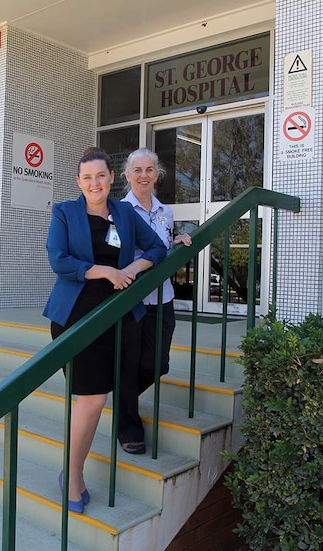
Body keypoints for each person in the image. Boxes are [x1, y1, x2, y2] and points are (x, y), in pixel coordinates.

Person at [43, 149, 166, 514]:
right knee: (93, 399)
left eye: (100, 176)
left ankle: (75, 468)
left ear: (112, 177)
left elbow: (157, 248)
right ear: (78, 182)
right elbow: (59, 260)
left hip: (120, 316)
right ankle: (74, 474)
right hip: (77, 316)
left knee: (105, 392)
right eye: (87, 178)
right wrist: (107, 272)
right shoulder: (65, 213)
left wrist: (132, 267)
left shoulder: (126, 213)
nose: (94, 183)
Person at [118, 148, 192, 454]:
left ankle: (124, 398)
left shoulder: (165, 212)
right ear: (127, 175)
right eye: (138, 170)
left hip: (163, 298)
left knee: (157, 363)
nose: (144, 175)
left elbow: (160, 246)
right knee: (129, 362)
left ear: (157, 174)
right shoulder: (119, 211)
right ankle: (128, 426)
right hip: (132, 299)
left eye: (149, 170)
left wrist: (175, 242)